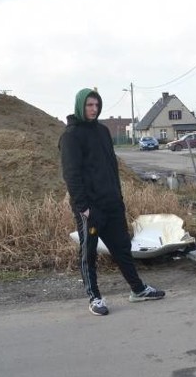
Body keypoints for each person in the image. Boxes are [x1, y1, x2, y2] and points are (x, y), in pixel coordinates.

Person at [60, 88, 165, 316]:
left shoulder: (103, 131)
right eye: (89, 105)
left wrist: (119, 198)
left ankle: (138, 290)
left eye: (96, 105)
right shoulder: (71, 136)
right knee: (89, 253)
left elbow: (111, 168)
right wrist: (84, 209)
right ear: (80, 106)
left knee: (122, 248)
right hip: (90, 208)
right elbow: (72, 176)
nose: (94, 109)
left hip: (112, 204)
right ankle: (95, 297)